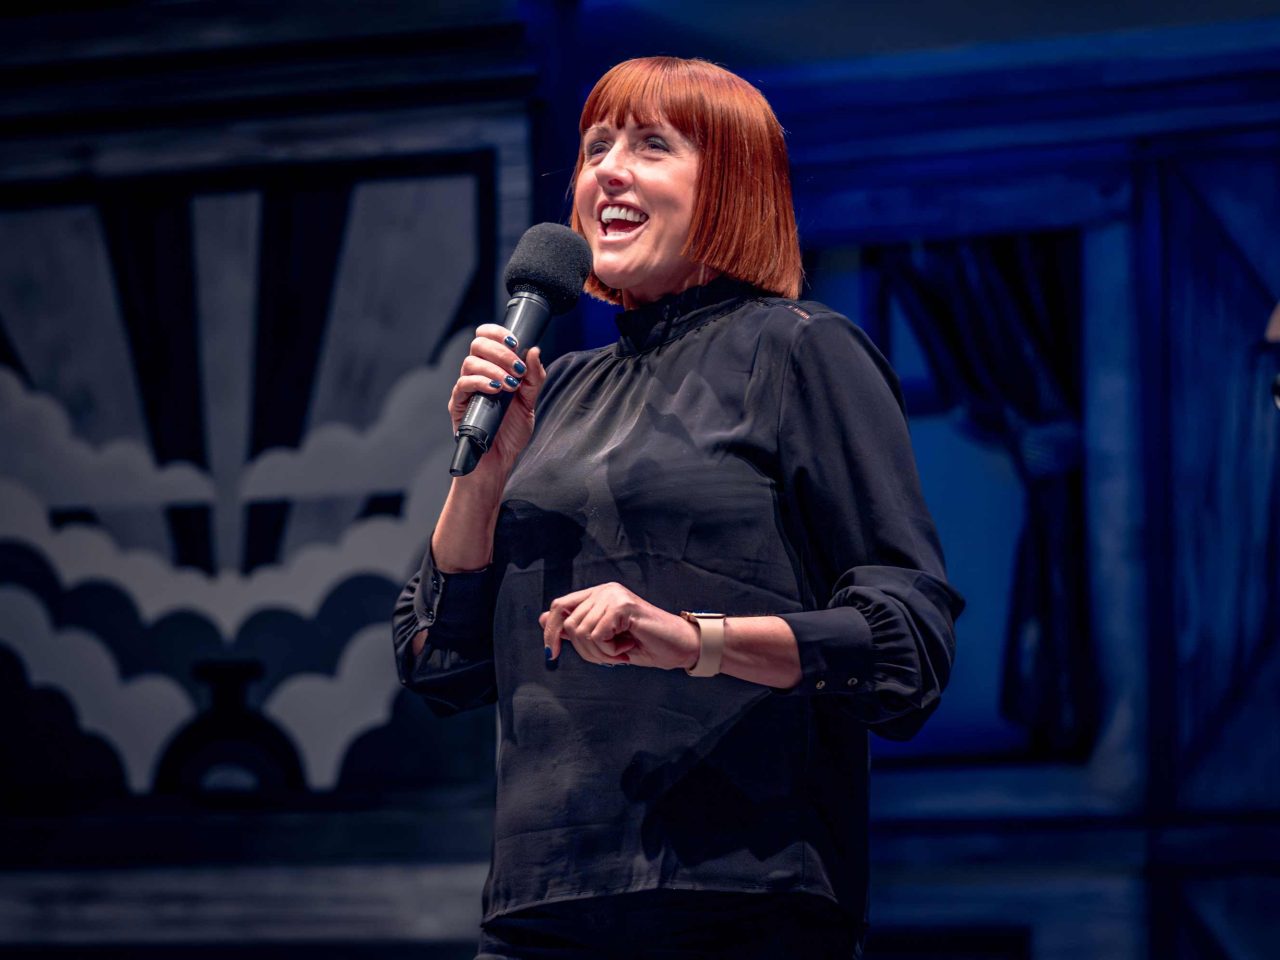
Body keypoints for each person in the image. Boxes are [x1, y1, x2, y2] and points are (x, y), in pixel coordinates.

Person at [393, 56, 963, 959]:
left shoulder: (801, 352)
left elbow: (906, 647)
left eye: (652, 146)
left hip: (738, 898)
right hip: (540, 910)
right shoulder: (558, 391)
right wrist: (483, 474)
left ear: (732, 186)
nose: (607, 172)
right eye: (594, 149)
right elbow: (438, 662)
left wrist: (693, 640)